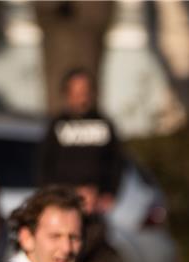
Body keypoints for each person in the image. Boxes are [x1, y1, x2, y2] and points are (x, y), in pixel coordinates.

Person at [36, 68, 125, 204]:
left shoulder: (104, 124)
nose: (81, 96)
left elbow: (116, 162)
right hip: (64, 200)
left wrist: (109, 192)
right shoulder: (58, 125)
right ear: (67, 93)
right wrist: (53, 194)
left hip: (96, 203)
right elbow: (45, 164)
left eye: (85, 91)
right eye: (76, 91)